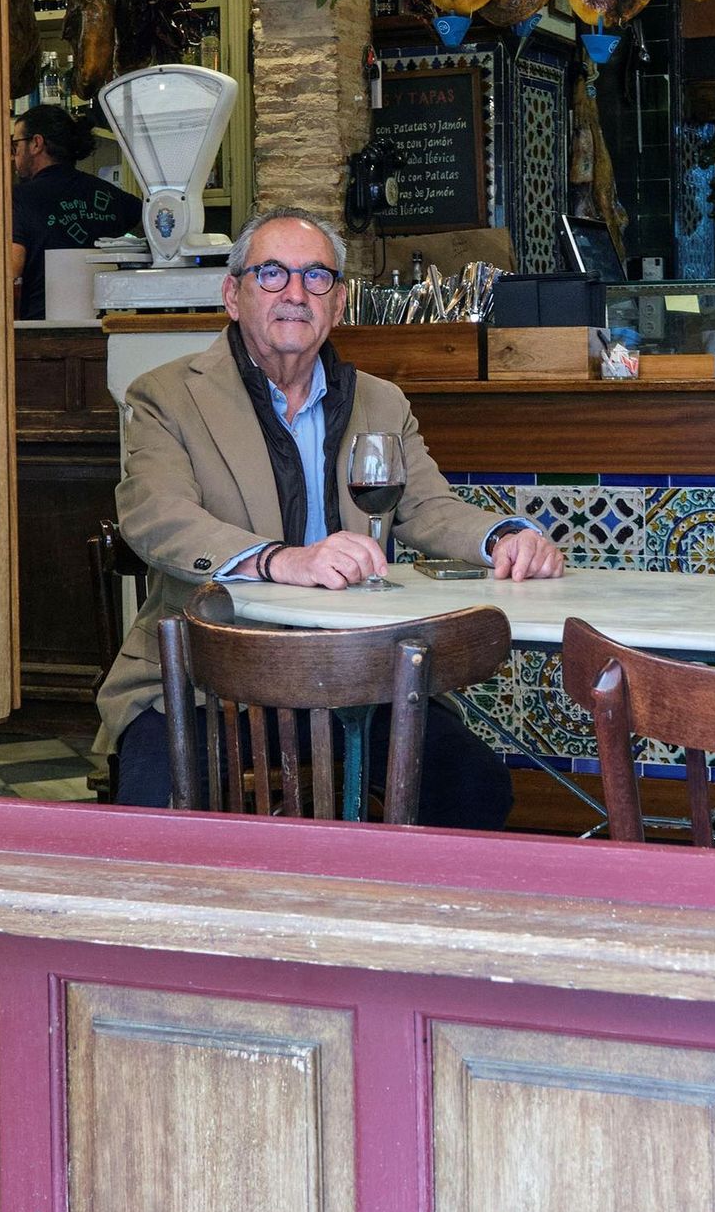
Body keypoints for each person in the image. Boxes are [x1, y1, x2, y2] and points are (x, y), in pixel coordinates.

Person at [99, 205, 565, 825]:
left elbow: (426, 506)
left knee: (474, 787)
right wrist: (280, 560)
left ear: (338, 303)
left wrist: (504, 535)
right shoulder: (166, 395)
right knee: (152, 822)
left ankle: (382, 892)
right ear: (233, 295)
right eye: (271, 274)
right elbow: (155, 513)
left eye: (316, 276)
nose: (295, 293)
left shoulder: (380, 400)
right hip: (206, 681)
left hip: (356, 676)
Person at [11, 106, 142, 319]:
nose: (14, 153)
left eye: (16, 144)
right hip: (108, 324)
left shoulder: (18, 199)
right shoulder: (110, 195)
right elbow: (155, 229)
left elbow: (11, 271)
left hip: (42, 328)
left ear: (36, 143)